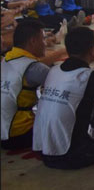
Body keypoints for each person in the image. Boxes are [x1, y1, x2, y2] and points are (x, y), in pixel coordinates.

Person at [33, 27, 94, 169]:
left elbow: (90, 82)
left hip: (45, 150)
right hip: (73, 154)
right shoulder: (90, 78)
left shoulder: (54, 70)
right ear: (92, 50)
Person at [1, 20, 63, 150]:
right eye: (43, 39)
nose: (45, 43)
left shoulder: (6, 59)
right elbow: (68, 86)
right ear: (33, 41)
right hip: (18, 134)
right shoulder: (34, 67)